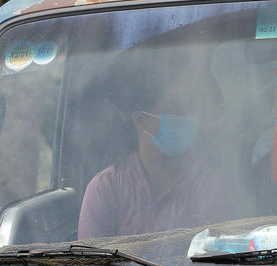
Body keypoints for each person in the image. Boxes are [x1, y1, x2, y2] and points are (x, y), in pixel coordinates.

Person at [77, 68, 231, 239]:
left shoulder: (206, 180)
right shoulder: (106, 187)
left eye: (188, 111)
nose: (186, 120)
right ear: (140, 120)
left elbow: (217, 249)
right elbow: (92, 261)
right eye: (174, 110)